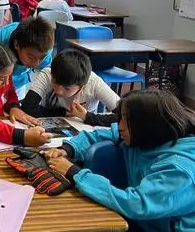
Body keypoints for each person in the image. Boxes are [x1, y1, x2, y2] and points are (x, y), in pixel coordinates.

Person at [44, 90, 195, 232]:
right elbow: (99, 134)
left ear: (149, 125)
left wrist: (75, 173)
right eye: (121, 118)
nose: (120, 126)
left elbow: (136, 204)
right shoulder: (143, 137)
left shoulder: (179, 170)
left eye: (127, 120)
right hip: (144, 223)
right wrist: (68, 149)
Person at [21, 50, 119, 126]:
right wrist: (63, 113)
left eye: (67, 88)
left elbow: (124, 116)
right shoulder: (48, 74)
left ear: (82, 85)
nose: (59, 91)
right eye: (55, 82)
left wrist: (86, 116)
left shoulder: (94, 83)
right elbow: (27, 107)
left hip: (84, 129)